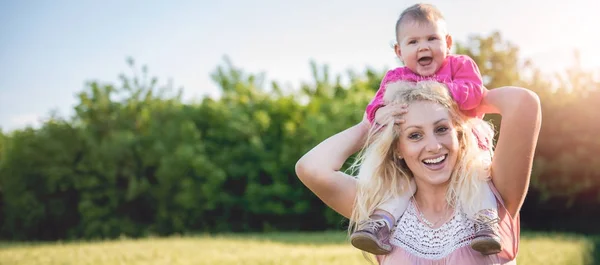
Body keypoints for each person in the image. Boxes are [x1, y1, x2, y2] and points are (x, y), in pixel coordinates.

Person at [295, 80, 541, 264]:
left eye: (442, 128)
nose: (433, 146)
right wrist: (369, 124)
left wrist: (469, 96)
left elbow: (523, 103)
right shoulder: (381, 214)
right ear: (398, 149)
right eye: (414, 135)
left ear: (459, 135)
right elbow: (311, 168)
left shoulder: (491, 197)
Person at [359, 3, 499, 256]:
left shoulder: (458, 66)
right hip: (420, 159)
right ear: (399, 51)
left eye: (432, 38)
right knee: (401, 186)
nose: (423, 47)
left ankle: (486, 224)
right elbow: (375, 106)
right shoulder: (395, 78)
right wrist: (381, 113)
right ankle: (380, 223)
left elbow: (475, 93)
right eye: (413, 42)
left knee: (477, 182)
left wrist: (442, 90)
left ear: (448, 42)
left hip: (467, 150)